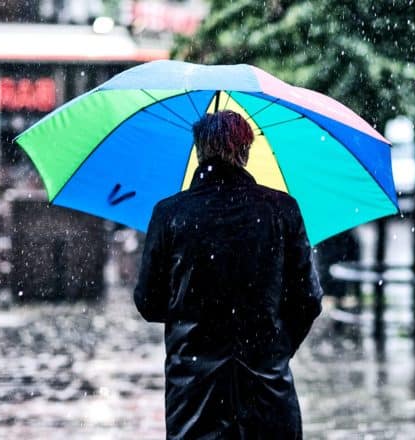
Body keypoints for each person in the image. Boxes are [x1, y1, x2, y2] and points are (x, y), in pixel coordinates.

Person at [134, 110, 323, 439]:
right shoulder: (282, 210)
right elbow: (308, 300)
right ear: (246, 153)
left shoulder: (171, 213)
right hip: (267, 391)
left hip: (193, 395)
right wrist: (273, 349)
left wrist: (193, 317)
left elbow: (149, 303)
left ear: (197, 152)